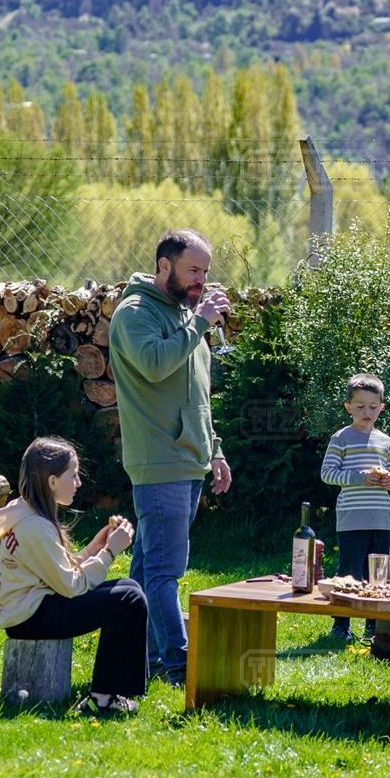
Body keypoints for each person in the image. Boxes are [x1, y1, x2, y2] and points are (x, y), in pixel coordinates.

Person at [109, 228, 234, 685]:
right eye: (193, 269)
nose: (201, 279)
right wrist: (199, 323)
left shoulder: (186, 315)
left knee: (147, 569)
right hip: (159, 460)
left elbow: (197, 396)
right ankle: (180, 663)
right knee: (166, 571)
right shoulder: (135, 314)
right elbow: (156, 364)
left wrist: (214, 450)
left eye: (205, 270)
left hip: (189, 459)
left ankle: (139, 658)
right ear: (164, 266)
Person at [0, 437, 147, 715]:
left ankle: (115, 691)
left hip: (30, 610)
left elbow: (57, 571)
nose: (79, 482)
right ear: (52, 481)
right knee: (128, 599)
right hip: (31, 618)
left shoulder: (24, 511)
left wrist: (95, 548)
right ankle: (103, 699)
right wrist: (110, 552)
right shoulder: (35, 526)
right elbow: (71, 586)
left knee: (129, 587)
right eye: (73, 475)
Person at [319, 373, 390, 640]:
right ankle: (341, 625)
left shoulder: (385, 441)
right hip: (352, 517)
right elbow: (327, 474)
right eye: (360, 406)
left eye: (373, 407)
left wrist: (389, 480)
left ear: (381, 407)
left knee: (378, 574)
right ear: (348, 407)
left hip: (382, 518)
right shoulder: (341, 438)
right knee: (348, 573)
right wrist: (359, 478)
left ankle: (375, 627)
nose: (367, 412)